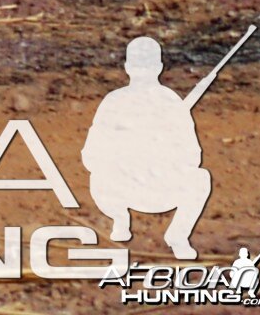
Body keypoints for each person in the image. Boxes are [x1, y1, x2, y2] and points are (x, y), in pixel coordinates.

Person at [84, 34, 215, 260]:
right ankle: (124, 221)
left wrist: (158, 152)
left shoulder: (120, 101)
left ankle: (164, 232)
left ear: (127, 67)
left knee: (200, 177)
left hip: (141, 188)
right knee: (200, 178)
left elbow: (91, 155)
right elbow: (194, 157)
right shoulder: (166, 101)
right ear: (160, 67)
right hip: (133, 187)